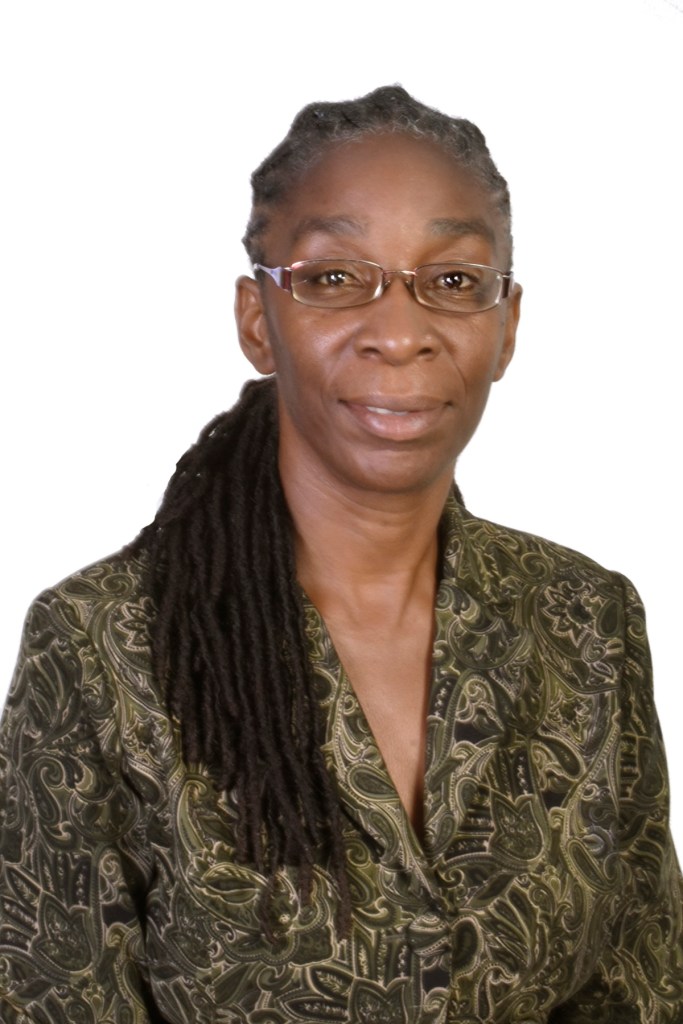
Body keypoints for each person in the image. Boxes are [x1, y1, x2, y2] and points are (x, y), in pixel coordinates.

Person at [0, 85, 681, 1024]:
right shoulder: (98, 649)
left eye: (453, 281)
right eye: (332, 278)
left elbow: (643, 989)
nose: (399, 334)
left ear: (506, 328)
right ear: (257, 320)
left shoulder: (585, 621)